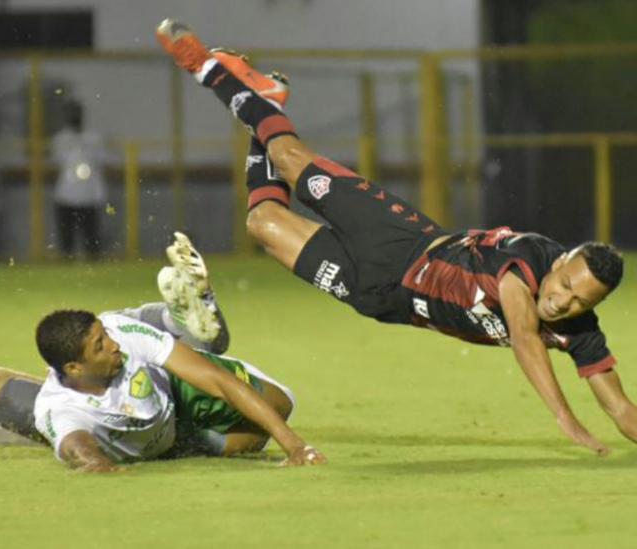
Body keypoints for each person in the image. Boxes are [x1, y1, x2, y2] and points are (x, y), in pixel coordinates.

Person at [155, 19, 634, 456]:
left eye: (579, 302)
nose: (562, 302)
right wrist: (564, 417)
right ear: (561, 262)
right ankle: (213, 73)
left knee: (263, 222)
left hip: (383, 296)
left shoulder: (579, 329)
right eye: (564, 286)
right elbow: (525, 336)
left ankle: (267, 103)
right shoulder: (527, 259)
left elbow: (621, 409)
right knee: (289, 159)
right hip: (398, 239)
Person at [0, 232, 325, 471]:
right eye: (100, 345)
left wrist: (295, 446)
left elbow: (217, 381)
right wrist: (98, 465)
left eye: (104, 337)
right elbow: (77, 449)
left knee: (277, 402)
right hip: (175, 440)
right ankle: (187, 320)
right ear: (74, 367)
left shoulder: (120, 334)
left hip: (171, 393)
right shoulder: (63, 412)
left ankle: (182, 313)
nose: (112, 344)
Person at [51, 100, 108, 259]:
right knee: (66, 241)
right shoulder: (60, 138)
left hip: (90, 195)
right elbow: (57, 160)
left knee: (92, 239)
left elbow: (102, 160)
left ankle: (94, 268)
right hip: (66, 195)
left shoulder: (94, 138)